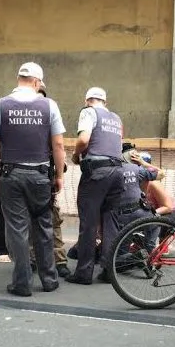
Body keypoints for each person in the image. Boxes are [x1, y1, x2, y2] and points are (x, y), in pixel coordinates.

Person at [0, 62, 66, 297]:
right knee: (44, 226)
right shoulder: (49, 105)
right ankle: (49, 279)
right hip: (40, 175)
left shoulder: (0, 105)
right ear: (37, 82)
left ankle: (21, 283)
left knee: (17, 229)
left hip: (11, 175)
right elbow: (58, 144)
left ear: (19, 79)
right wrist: (59, 175)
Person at [66, 87, 124, 285]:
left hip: (97, 171)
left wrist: (75, 155)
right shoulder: (115, 118)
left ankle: (83, 272)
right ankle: (109, 271)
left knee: (89, 222)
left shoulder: (88, 112)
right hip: (117, 171)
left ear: (87, 100)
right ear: (105, 102)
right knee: (111, 222)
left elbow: (84, 139)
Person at [100, 147, 164, 281]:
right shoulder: (137, 169)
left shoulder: (110, 171)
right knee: (155, 223)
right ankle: (147, 254)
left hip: (121, 218)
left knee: (120, 256)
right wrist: (143, 163)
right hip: (141, 214)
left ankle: (135, 258)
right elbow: (161, 174)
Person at [27, 82, 71, 277]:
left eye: (43, 97)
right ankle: (31, 260)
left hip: (47, 181)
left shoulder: (51, 124)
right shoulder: (24, 126)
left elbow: (60, 150)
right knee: (28, 222)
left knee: (53, 222)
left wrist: (58, 174)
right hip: (29, 179)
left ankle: (60, 260)